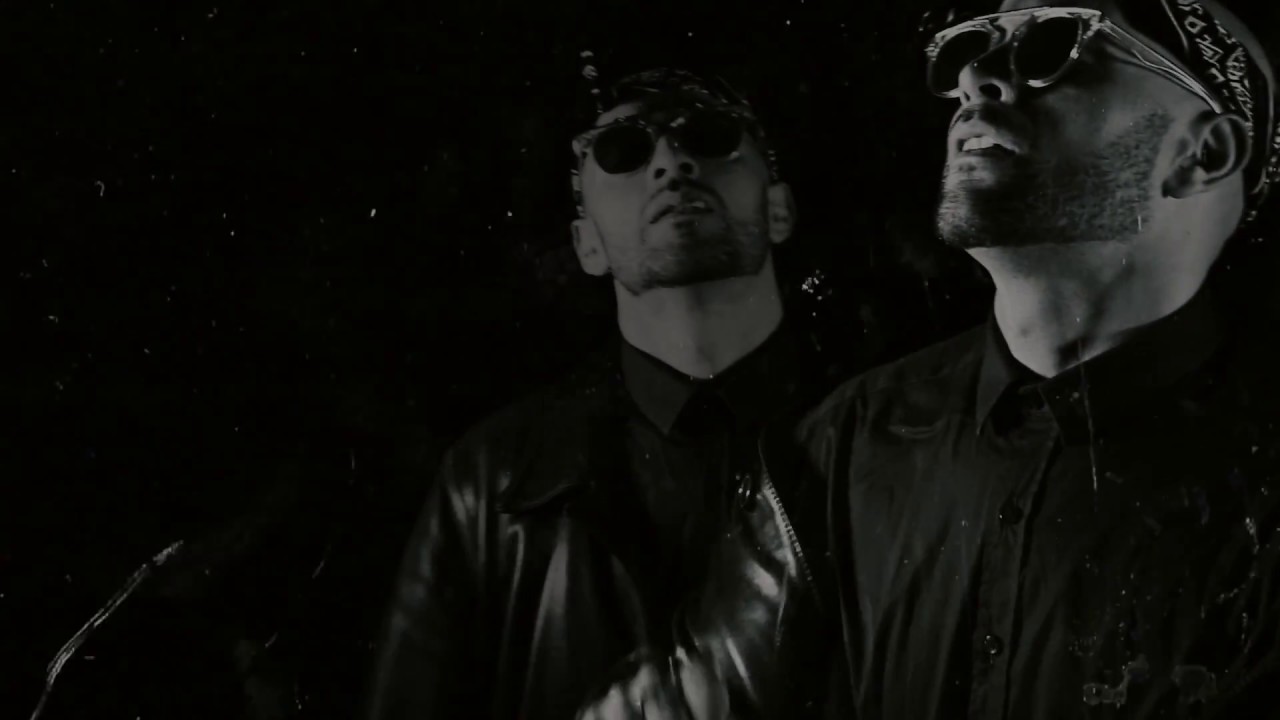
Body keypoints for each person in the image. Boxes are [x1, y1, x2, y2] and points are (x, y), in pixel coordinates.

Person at [782, 0, 1280, 717]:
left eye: (1054, 43)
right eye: (972, 47)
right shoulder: (840, 445)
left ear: (1203, 155)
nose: (975, 77)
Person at [363, 67, 835, 720]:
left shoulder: (897, 437)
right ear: (587, 245)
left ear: (780, 208)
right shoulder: (489, 481)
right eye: (623, 152)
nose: (671, 162)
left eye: (709, 136)